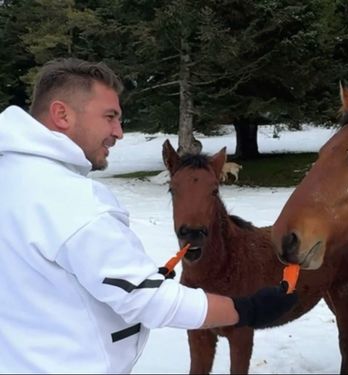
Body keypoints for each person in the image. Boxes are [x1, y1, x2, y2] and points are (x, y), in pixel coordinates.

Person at [0, 57, 298, 373]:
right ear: (62, 114)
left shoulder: (13, 176)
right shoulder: (69, 200)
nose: (119, 132)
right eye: (110, 117)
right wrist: (246, 308)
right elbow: (146, 301)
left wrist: (136, 277)